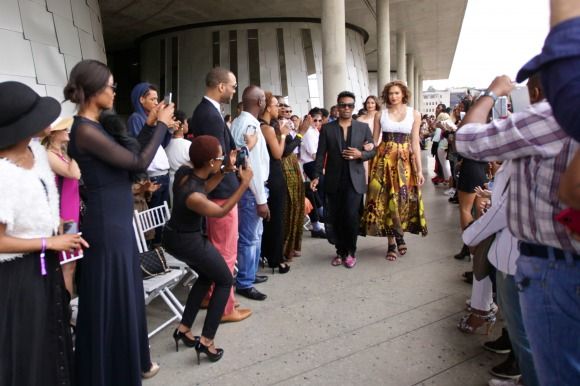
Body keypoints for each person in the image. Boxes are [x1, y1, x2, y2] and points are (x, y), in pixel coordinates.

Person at [456, 72, 580, 386]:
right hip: (552, 253)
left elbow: (467, 138)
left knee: (536, 342)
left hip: (544, 258)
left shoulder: (548, 119)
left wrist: (491, 92)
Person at [64, 59, 174, 385]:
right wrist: (163, 126)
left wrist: (153, 125)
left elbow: (130, 162)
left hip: (116, 221)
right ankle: (105, 373)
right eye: (111, 86)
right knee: (109, 299)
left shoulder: (96, 126)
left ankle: (130, 364)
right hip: (106, 225)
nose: (114, 91)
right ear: (95, 88)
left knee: (125, 297)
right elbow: (140, 161)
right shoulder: (84, 129)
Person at [0, 81, 88, 386]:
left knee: (55, 343)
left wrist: (57, 230)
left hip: (45, 268)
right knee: (30, 351)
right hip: (18, 278)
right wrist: (48, 241)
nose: (49, 120)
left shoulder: (36, 153)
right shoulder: (3, 173)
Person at [163, 135, 252, 363]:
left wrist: (224, 170)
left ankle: (183, 329)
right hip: (187, 240)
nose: (223, 159)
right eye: (220, 157)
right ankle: (207, 341)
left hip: (175, 236)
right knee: (224, 280)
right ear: (211, 161)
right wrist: (243, 184)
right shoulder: (193, 196)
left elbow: (204, 186)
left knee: (205, 276)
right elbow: (219, 211)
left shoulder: (185, 172)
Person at [190, 67, 252, 322]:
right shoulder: (210, 115)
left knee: (218, 249)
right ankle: (225, 308)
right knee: (226, 251)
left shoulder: (207, 112)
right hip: (221, 191)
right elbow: (217, 158)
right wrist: (244, 151)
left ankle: (211, 295)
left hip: (216, 189)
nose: (235, 90)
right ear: (220, 86)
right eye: (233, 85)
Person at [360, 80, 427, 262]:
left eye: (397, 93)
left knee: (401, 199)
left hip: (404, 162)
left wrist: (419, 171)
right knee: (385, 199)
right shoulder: (380, 114)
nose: (393, 96)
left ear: (403, 94)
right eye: (390, 93)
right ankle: (392, 243)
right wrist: (365, 147)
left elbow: (415, 143)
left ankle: (400, 235)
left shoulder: (415, 114)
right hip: (383, 161)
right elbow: (374, 140)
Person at [310, 91, 376, 268]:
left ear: (354, 107)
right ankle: (340, 251)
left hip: (355, 180)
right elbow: (320, 154)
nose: (346, 108)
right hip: (333, 179)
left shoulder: (362, 128)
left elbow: (373, 150)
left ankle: (351, 251)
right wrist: (316, 176)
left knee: (351, 216)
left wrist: (360, 154)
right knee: (336, 216)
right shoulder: (328, 128)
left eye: (350, 105)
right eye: (343, 105)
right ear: (338, 107)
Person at [230, 85, 269, 300]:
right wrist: (261, 199)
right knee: (249, 238)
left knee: (255, 234)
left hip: (251, 189)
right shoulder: (249, 126)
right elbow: (251, 165)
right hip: (251, 190)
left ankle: (250, 274)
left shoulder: (242, 122)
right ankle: (245, 281)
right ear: (260, 102)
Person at [41, 116, 81, 297]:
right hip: (63, 214)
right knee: (66, 264)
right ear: (54, 134)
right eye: (64, 129)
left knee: (71, 263)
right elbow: (73, 173)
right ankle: (65, 310)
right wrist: (76, 151)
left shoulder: (61, 154)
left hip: (72, 211)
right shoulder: (49, 155)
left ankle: (67, 306)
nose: (68, 131)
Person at [128, 83, 172, 238]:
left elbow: (162, 144)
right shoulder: (136, 118)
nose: (156, 102)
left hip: (163, 173)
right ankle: (153, 248)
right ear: (141, 99)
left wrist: (168, 128)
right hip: (151, 175)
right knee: (151, 219)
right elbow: (143, 143)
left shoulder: (150, 119)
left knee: (161, 216)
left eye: (157, 99)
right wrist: (159, 125)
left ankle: (158, 245)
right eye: (152, 99)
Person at [259, 92, 291, 273]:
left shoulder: (262, 125)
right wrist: (284, 135)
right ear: (267, 107)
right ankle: (276, 259)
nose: (278, 108)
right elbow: (278, 153)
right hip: (273, 174)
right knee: (276, 217)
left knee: (269, 218)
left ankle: (269, 254)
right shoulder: (268, 128)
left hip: (267, 174)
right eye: (276, 105)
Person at [165, 110, 192, 205]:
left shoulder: (165, 145)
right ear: (180, 125)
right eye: (186, 122)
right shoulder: (188, 145)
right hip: (186, 184)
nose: (187, 124)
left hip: (169, 184)